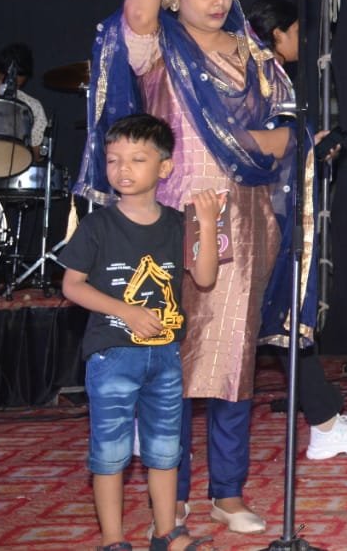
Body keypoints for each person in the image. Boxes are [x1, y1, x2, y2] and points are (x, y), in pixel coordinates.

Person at [77, 0, 294, 535]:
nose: (219, 2)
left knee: (232, 361)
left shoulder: (253, 54)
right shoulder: (160, 50)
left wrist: (250, 139)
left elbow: (290, 130)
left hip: (245, 223)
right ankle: (171, 495)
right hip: (171, 227)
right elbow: (135, 15)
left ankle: (228, 492)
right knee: (166, 361)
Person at [62, 113, 221, 551]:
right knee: (110, 454)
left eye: (137, 159)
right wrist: (125, 311)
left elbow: (205, 277)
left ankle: (166, 532)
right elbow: (72, 285)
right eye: (114, 160)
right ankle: (113, 540)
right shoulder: (98, 226)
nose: (123, 169)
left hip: (165, 355)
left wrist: (207, 224)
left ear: (164, 167)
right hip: (112, 355)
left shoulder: (176, 224)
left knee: (166, 449)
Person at [245, 0, 347, 460]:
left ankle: (324, 417)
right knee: (280, 321)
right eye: (295, 33)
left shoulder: (266, 76)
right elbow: (258, 147)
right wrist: (305, 145)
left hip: (269, 214)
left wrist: (311, 145)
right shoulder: (260, 76)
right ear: (277, 34)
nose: (300, 43)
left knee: (282, 323)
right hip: (262, 219)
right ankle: (324, 422)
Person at [0, 42, 48, 163]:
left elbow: (37, 156)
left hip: (15, 168)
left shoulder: (32, 107)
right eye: (5, 83)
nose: (9, 89)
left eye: (17, 86)